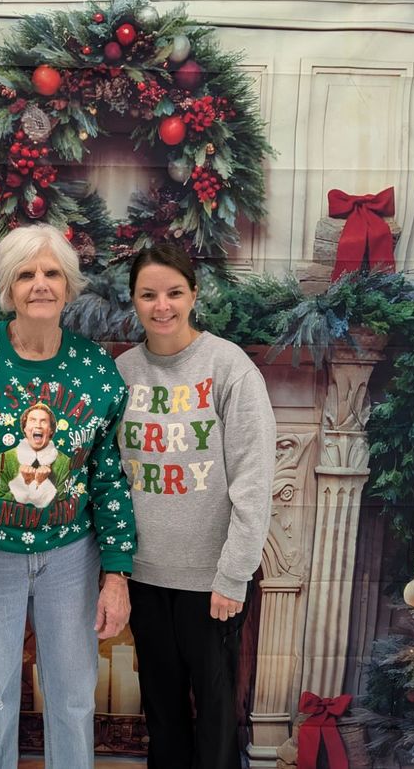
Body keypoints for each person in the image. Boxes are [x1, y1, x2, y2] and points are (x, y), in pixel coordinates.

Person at [0, 223, 136, 768]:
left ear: (69, 284)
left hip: (72, 557)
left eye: (51, 273)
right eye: (25, 274)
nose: (40, 283)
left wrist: (117, 572)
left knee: (72, 697)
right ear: (8, 288)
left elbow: (110, 477)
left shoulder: (96, 370)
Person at [115, 244, 276, 769]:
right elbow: (109, 476)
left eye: (174, 293)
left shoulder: (228, 367)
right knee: (161, 712)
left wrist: (233, 575)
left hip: (212, 583)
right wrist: (113, 568)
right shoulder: (120, 373)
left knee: (214, 715)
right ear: (133, 301)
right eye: (149, 295)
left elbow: (254, 481)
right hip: (143, 576)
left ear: (194, 295)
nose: (162, 306)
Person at [0, 402, 71, 506]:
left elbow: (63, 503)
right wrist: (25, 483)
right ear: (25, 428)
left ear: (51, 430)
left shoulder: (64, 462)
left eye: (43, 421)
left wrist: (41, 483)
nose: (38, 425)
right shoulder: (6, 458)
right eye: (33, 420)